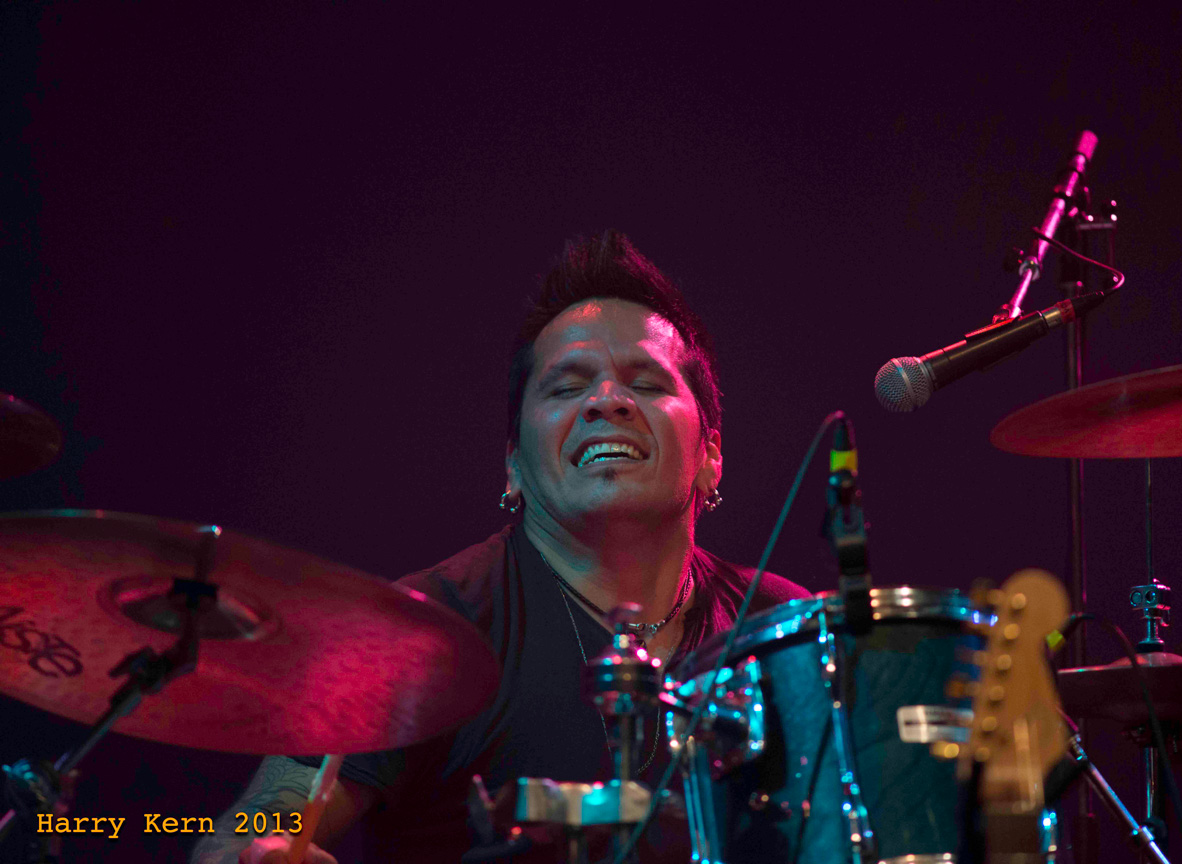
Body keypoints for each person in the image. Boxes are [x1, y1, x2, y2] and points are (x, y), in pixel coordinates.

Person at [190, 230, 810, 864]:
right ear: (513, 464)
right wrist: (259, 850)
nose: (607, 401)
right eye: (566, 388)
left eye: (647, 383)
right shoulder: (420, 630)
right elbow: (247, 832)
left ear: (710, 456)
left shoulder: (785, 628)